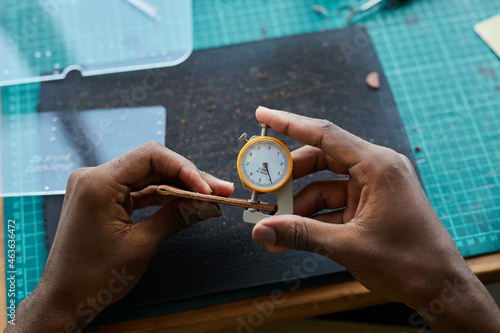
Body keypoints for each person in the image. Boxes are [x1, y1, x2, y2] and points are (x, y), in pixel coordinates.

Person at [6, 107, 500, 332]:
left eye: (268, 167)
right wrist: (60, 305)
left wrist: (53, 309)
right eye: (262, 167)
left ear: (272, 161)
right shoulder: (267, 161)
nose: (264, 172)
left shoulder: (273, 178)